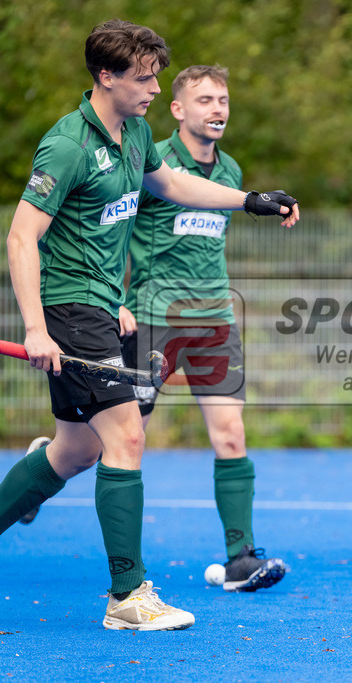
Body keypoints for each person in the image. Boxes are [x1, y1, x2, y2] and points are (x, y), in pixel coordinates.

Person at [0, 20, 298, 630]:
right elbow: (20, 237)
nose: (152, 89)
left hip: (99, 305)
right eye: (143, 79)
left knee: (73, 453)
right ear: (106, 76)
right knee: (127, 439)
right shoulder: (67, 146)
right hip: (69, 307)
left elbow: (169, 184)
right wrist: (36, 328)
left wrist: (250, 200)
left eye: (156, 77)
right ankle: (126, 597)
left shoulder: (137, 132)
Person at [116, 64, 289, 591]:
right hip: (152, 319)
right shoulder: (151, 160)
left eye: (224, 100)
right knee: (121, 441)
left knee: (231, 434)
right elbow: (115, 230)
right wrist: (115, 299)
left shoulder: (231, 172)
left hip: (214, 320)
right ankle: (48, 465)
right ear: (177, 109)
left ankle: (241, 559)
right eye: (206, 100)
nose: (218, 109)